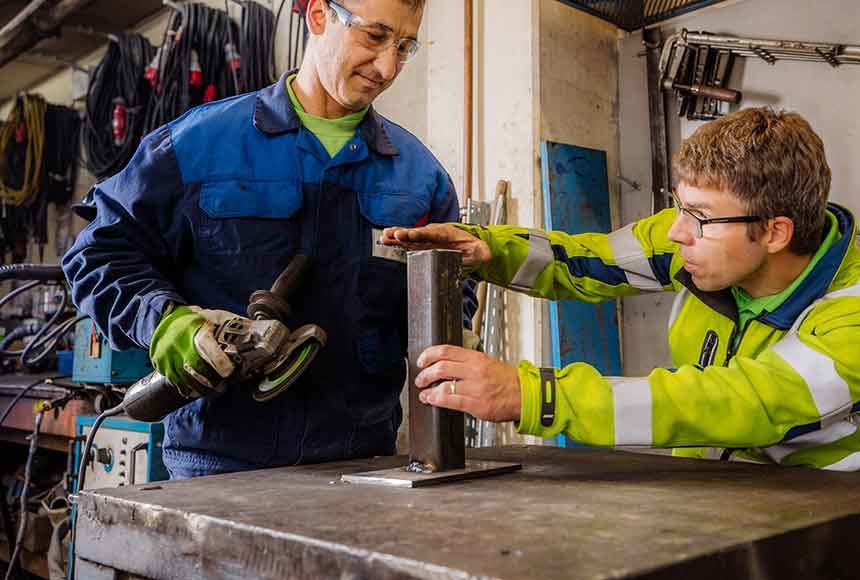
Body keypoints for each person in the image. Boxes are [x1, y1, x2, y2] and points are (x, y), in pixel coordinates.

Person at [63, 0, 474, 479]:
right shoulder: (197, 145)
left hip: (365, 466)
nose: (388, 67)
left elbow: (451, 297)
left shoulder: (420, 177)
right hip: (217, 468)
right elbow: (99, 253)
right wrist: (166, 324)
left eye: (405, 46)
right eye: (375, 36)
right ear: (319, 15)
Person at [382, 107, 860, 471]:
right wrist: (487, 249)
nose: (677, 232)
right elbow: (590, 260)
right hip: (708, 498)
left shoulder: (851, 317)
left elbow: (739, 402)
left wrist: (533, 395)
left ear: (776, 232)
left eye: (702, 217)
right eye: (679, 206)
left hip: (819, 533)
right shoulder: (708, 241)